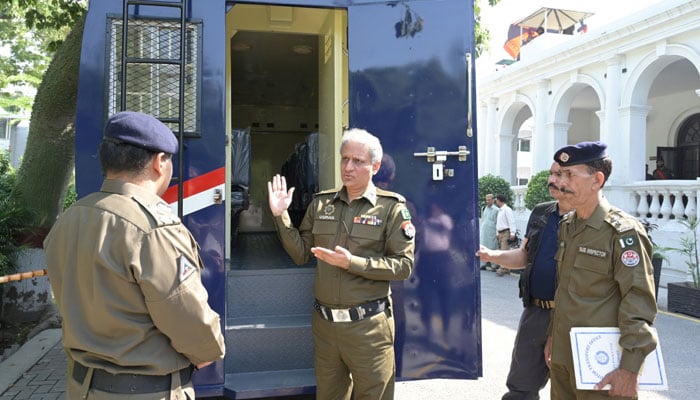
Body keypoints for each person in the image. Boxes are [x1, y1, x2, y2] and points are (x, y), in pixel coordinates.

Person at [44, 111, 226, 399]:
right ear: (159, 163)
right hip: (146, 390)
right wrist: (207, 350)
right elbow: (187, 315)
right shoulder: (154, 229)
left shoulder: (70, 219)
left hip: (82, 387)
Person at [267, 128, 415, 400]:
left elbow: (403, 266)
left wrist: (352, 262)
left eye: (357, 161)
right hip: (325, 327)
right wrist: (281, 216)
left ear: (375, 166)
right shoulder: (322, 204)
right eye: (344, 159)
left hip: (368, 328)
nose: (348, 167)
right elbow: (301, 254)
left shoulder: (391, 208)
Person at [545, 141, 658, 399]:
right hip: (564, 357)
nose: (561, 182)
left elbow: (639, 302)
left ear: (596, 180)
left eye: (570, 175)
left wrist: (630, 369)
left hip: (603, 366)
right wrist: (553, 335)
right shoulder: (568, 225)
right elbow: (565, 290)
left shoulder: (623, 232)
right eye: (560, 174)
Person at [476, 162, 571, 400]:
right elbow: (525, 255)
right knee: (520, 386)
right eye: (551, 173)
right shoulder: (542, 212)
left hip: (573, 316)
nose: (551, 179)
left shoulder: (591, 221)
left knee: (571, 389)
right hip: (536, 312)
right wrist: (491, 255)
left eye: (559, 174)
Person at [495, 193, 517, 276]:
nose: (496, 202)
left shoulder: (507, 210)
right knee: (503, 250)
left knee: (504, 251)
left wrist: (512, 232)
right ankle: (507, 267)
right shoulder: (500, 210)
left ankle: (503, 268)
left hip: (506, 232)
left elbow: (511, 221)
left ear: (500, 200)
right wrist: (497, 233)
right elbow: (498, 223)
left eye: (496, 200)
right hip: (500, 232)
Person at [480, 193, 499, 271]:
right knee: (483, 247)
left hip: (492, 231)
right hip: (484, 230)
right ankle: (483, 264)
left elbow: (498, 221)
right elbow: (483, 218)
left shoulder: (496, 210)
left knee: (493, 247)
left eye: (489, 200)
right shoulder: (484, 208)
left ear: (493, 200)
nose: (487, 201)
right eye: (486, 199)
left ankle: (494, 265)